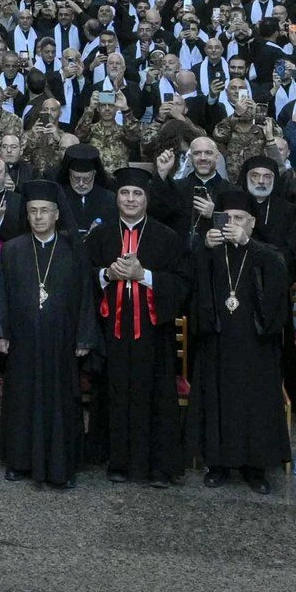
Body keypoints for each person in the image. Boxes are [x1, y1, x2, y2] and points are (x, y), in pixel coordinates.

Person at [0, 180, 94, 487]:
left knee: (61, 401)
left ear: (57, 214)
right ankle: (19, 462)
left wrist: (84, 338)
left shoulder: (73, 250)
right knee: (22, 399)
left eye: (44, 211)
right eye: (32, 211)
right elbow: (0, 294)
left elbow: (87, 296)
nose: (38, 217)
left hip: (62, 341)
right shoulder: (12, 249)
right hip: (22, 341)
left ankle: (63, 466)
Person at [188, 191, 294, 492]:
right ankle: (217, 463)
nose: (232, 224)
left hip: (255, 344)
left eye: (239, 219)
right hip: (218, 341)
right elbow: (193, 282)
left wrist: (248, 244)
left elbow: (278, 274)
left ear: (252, 222)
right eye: (227, 218)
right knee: (217, 398)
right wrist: (203, 248)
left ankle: (255, 467)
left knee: (255, 403)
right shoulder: (211, 249)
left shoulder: (264, 252)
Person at [93, 179, 190, 486]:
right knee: (116, 392)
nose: (131, 199)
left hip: (153, 333)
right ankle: (118, 462)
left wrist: (143, 275)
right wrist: (107, 274)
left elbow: (183, 284)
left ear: (147, 200)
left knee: (157, 394)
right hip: (113, 333)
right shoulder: (100, 236)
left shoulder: (167, 237)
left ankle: (159, 466)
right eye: (125, 192)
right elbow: (83, 277)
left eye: (137, 194)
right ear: (116, 197)